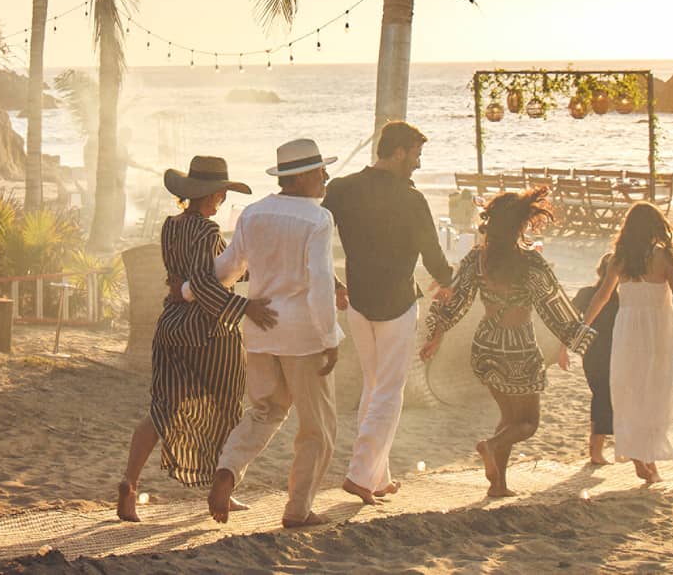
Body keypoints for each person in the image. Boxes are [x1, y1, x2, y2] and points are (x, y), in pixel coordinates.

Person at [115, 156, 278, 522]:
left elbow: (184, 277)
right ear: (215, 195)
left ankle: (129, 484)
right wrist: (244, 308)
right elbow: (206, 282)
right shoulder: (208, 232)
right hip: (210, 332)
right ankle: (221, 490)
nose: (221, 199)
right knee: (226, 410)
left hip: (171, 325)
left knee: (162, 409)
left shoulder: (170, 226)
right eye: (221, 193)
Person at [419, 188, 595, 498]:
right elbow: (553, 305)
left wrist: (436, 335)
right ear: (520, 225)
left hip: (486, 344)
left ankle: (498, 485)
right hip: (519, 348)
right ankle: (492, 446)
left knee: (507, 417)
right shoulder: (530, 262)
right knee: (527, 423)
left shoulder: (477, 259)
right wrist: (579, 337)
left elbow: (455, 300)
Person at [206, 138, 343, 529]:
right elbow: (319, 285)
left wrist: (186, 289)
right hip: (303, 336)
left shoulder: (254, 212)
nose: (326, 177)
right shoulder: (318, 219)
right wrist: (330, 338)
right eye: (320, 172)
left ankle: (228, 470)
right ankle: (298, 510)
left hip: (261, 331)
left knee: (266, 412)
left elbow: (229, 267)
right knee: (317, 428)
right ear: (299, 179)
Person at [323, 121, 454, 504]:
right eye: (415, 155)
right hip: (396, 303)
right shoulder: (411, 199)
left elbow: (312, 238)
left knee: (374, 384)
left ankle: (379, 476)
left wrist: (333, 284)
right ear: (398, 152)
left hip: (358, 301)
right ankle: (361, 474)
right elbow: (433, 253)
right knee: (389, 391)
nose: (417, 163)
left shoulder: (342, 188)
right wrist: (447, 280)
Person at [581, 202, 673, 484]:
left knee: (628, 388)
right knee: (656, 391)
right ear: (656, 226)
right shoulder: (664, 257)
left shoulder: (620, 258)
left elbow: (602, 296)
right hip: (658, 329)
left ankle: (638, 454)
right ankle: (648, 459)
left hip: (628, 328)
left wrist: (584, 325)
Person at [572, 253, 619, 465]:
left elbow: (569, 317)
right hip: (610, 350)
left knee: (601, 395)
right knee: (603, 397)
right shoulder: (618, 298)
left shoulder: (585, 293)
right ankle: (596, 450)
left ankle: (598, 448)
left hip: (591, 351)